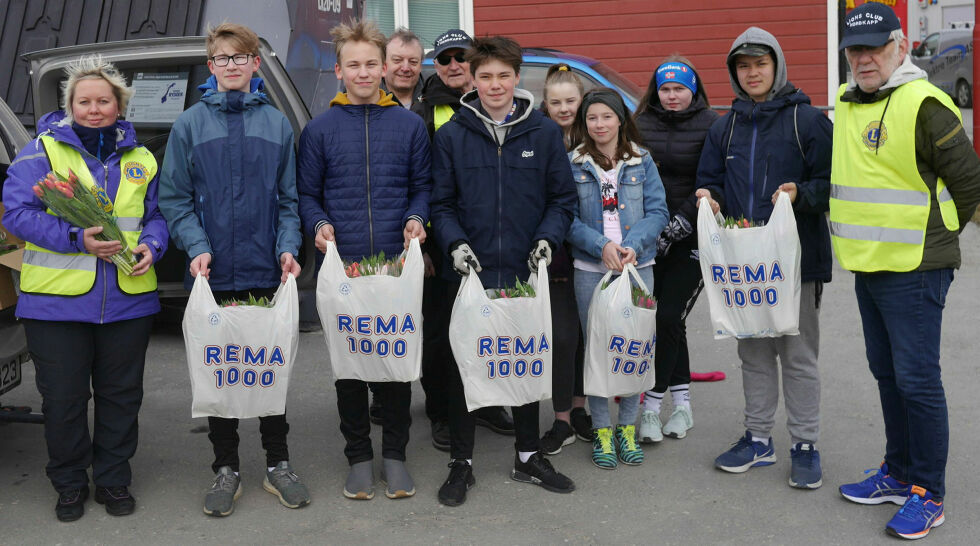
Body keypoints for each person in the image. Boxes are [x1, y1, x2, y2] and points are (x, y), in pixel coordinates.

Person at [832, 3, 980, 540]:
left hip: (915, 270)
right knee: (888, 375)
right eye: (855, 49)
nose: (864, 58)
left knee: (918, 382)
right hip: (868, 266)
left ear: (899, 46)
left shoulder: (924, 103)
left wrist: (937, 241)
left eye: (874, 48)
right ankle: (897, 473)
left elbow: (969, 183)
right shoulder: (849, 104)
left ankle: (929, 493)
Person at [1, 55, 167, 521]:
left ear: (120, 105)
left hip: (128, 302)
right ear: (69, 105)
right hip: (55, 304)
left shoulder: (142, 158)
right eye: (84, 101)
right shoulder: (42, 151)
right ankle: (70, 482)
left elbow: (155, 216)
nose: (94, 109)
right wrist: (77, 238)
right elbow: (15, 216)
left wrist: (153, 245)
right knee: (64, 400)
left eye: (104, 101)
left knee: (121, 396)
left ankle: (113, 480)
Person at [159, 23, 308, 517]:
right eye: (222, 58)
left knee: (267, 371)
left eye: (240, 57)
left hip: (267, 269)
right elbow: (174, 199)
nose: (231, 66)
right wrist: (196, 245)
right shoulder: (189, 125)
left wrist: (288, 246)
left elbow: (289, 200)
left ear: (255, 64)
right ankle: (226, 468)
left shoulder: (277, 124)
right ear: (211, 66)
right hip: (212, 274)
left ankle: (278, 464)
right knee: (219, 375)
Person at [430, 35, 577, 506]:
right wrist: (453, 244)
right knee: (464, 366)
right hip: (467, 274)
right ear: (472, 79)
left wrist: (545, 240)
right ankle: (462, 461)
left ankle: (527, 455)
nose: (495, 85)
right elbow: (442, 203)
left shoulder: (543, 132)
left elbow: (562, 200)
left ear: (518, 78)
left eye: (504, 76)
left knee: (523, 361)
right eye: (486, 76)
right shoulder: (452, 133)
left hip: (521, 269)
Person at [296, 19, 431, 501]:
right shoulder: (319, 130)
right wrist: (318, 225)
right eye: (353, 65)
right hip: (345, 266)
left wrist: (417, 217)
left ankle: (394, 455)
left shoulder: (411, 126)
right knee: (350, 366)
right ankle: (358, 456)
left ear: (384, 67)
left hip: (395, 266)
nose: (364, 72)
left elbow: (423, 187)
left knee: (394, 364)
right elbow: (307, 195)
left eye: (372, 64)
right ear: (338, 70)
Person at [696, 26, 832, 490]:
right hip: (743, 267)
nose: (752, 73)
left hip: (796, 265)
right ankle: (758, 439)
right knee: (753, 354)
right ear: (734, 73)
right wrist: (708, 197)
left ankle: (805, 444)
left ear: (777, 66)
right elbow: (709, 179)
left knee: (797, 356)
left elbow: (830, 184)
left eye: (760, 63)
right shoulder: (724, 125)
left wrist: (801, 193)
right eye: (743, 66)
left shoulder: (807, 121)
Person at [410, 28, 516, 440]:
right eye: (445, 59)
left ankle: (488, 404)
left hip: (491, 240)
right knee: (440, 332)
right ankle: (440, 411)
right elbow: (419, 182)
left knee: (490, 326)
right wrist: (427, 247)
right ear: (434, 66)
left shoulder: (492, 106)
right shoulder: (423, 111)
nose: (454, 65)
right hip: (440, 241)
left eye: (461, 58)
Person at [566, 88, 668, 469]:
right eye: (592, 118)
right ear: (584, 123)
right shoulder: (573, 163)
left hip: (637, 269)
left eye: (606, 117)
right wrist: (599, 247)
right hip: (591, 272)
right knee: (598, 352)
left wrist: (632, 246)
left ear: (621, 119)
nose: (599, 125)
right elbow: (566, 217)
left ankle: (628, 427)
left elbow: (658, 210)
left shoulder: (642, 161)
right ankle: (602, 430)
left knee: (633, 349)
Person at [633, 57, 719, 443]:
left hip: (691, 240)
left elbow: (714, 179)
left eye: (679, 89)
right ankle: (682, 406)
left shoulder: (712, 124)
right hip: (650, 239)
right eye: (665, 89)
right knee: (666, 321)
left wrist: (679, 224)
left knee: (667, 317)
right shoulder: (641, 121)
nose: (671, 96)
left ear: (694, 91)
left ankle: (651, 407)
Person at [539, 63, 593, 453]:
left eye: (570, 101)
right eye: (555, 102)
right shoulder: (539, 136)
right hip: (556, 254)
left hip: (590, 252)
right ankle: (560, 419)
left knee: (584, 338)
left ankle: (580, 409)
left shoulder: (595, 132)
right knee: (561, 337)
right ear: (545, 103)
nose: (563, 108)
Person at [381, 28, 423, 108]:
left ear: (420, 66)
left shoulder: (435, 98)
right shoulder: (367, 100)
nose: (405, 68)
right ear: (383, 65)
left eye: (413, 61)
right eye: (397, 60)